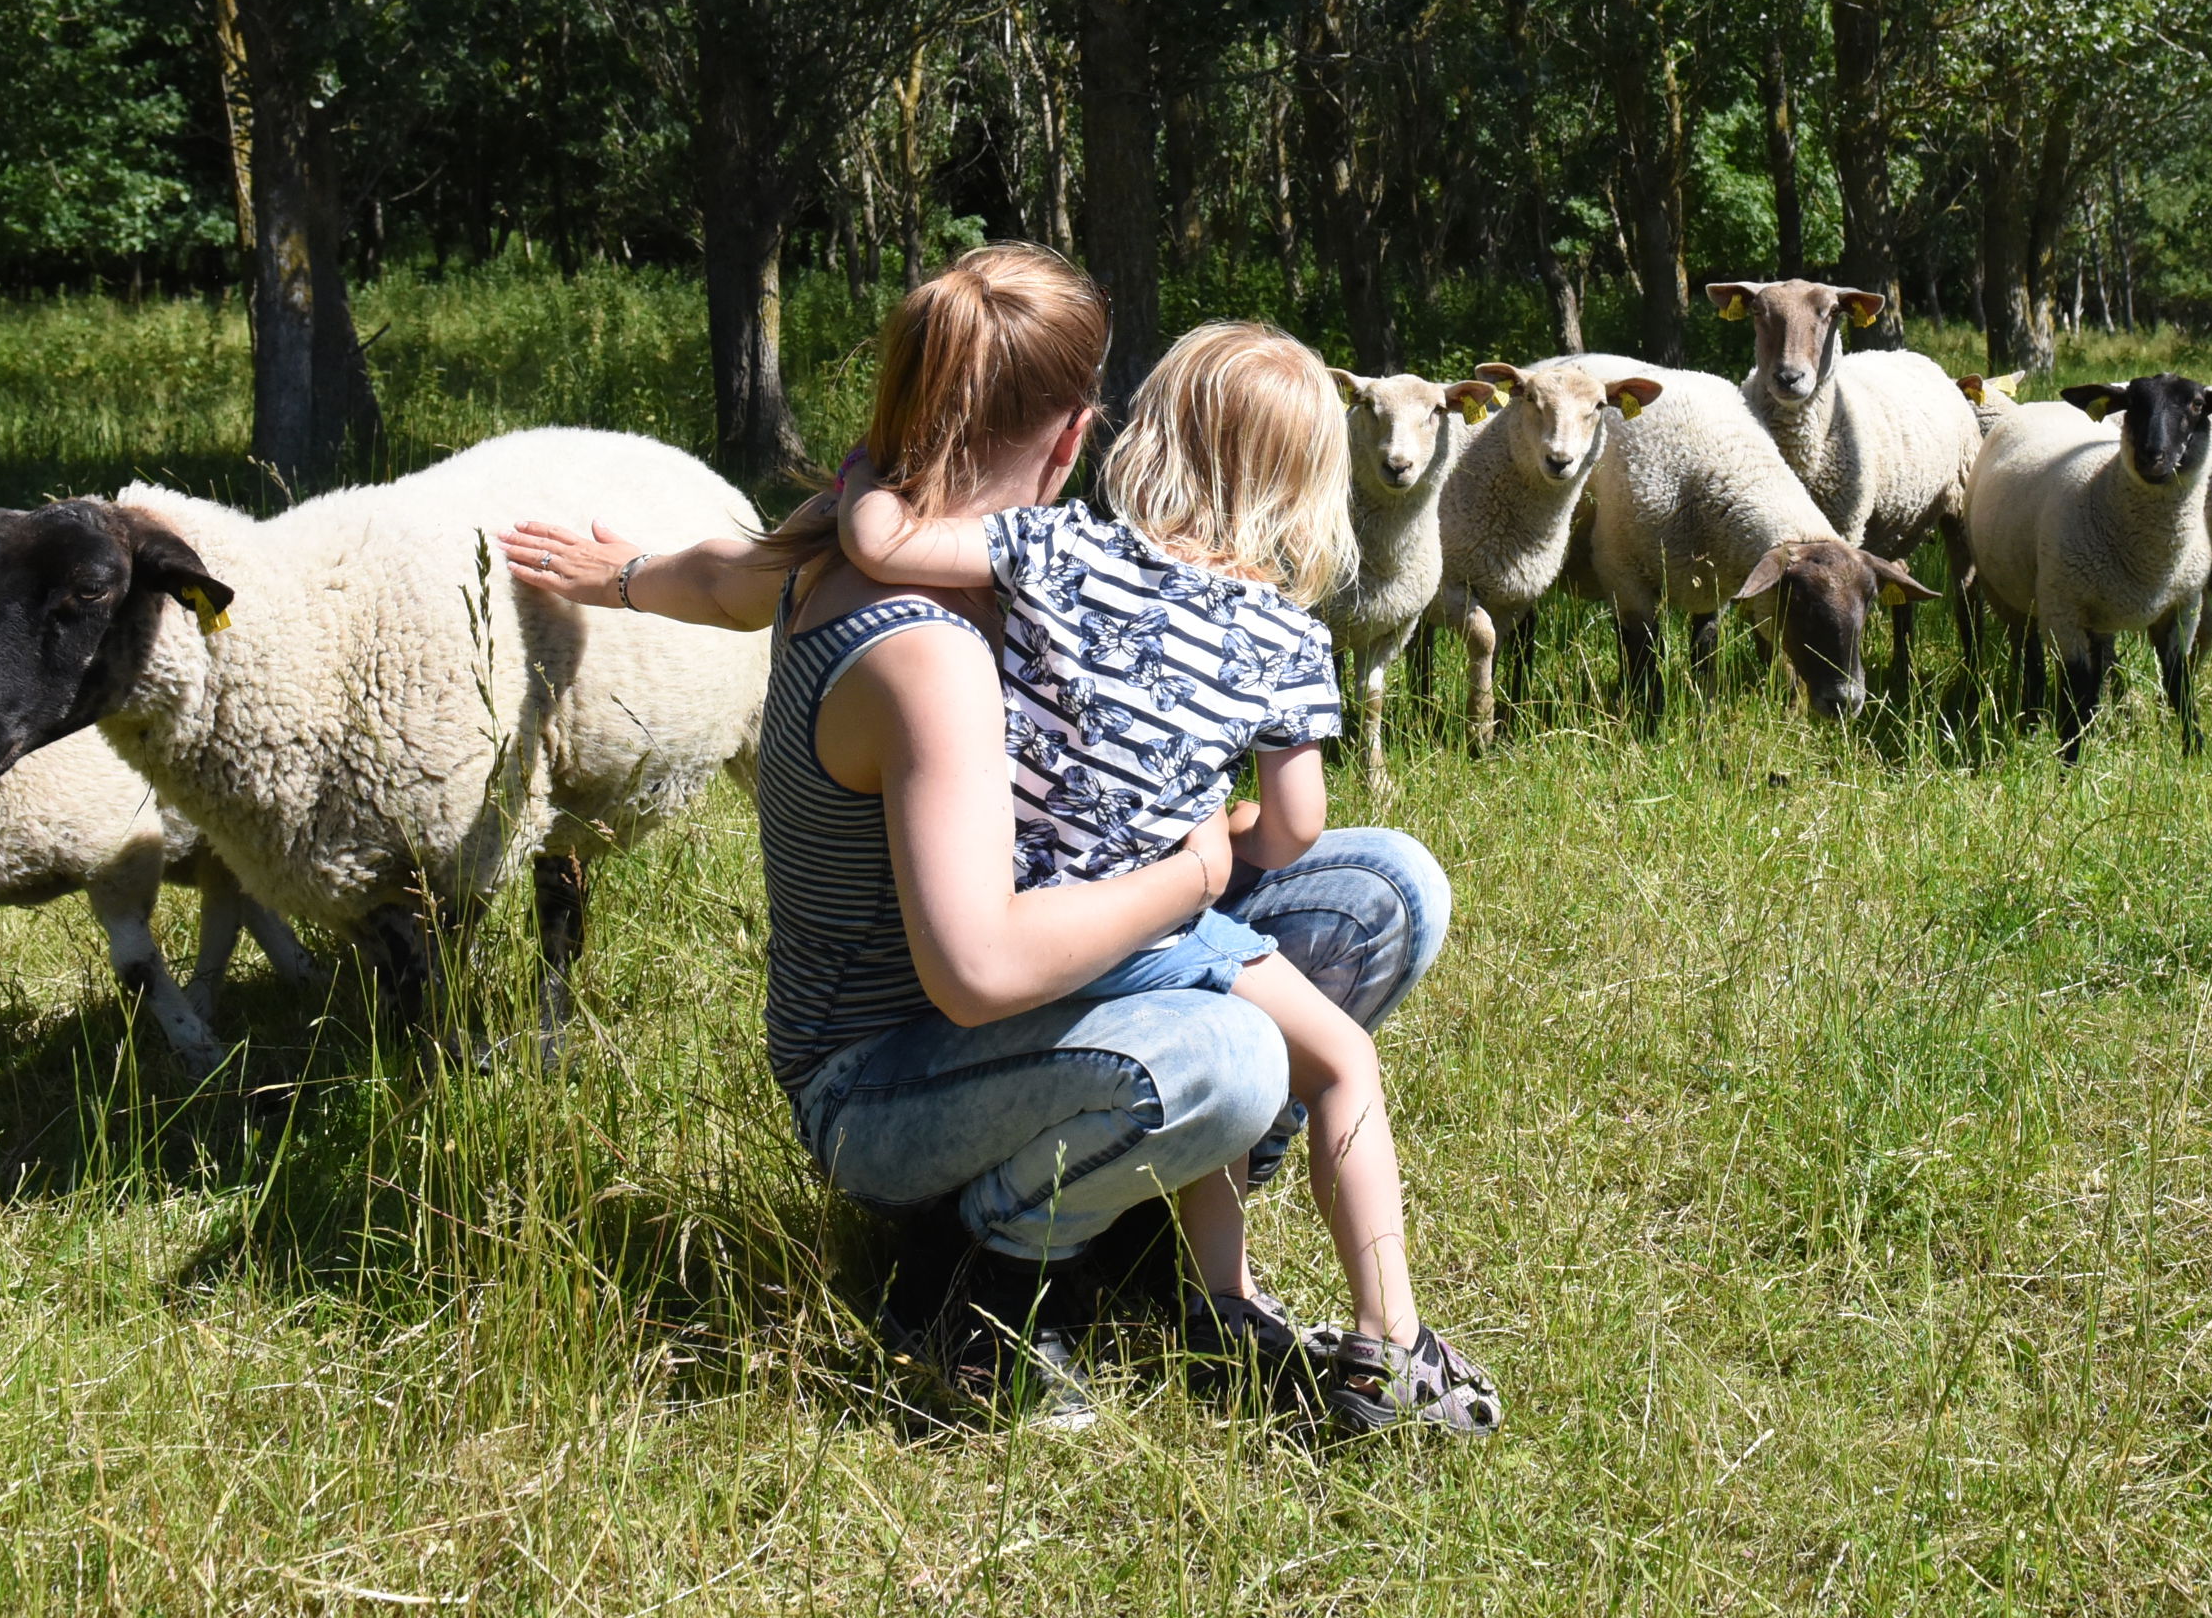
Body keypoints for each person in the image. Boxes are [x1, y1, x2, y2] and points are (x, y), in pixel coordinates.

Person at [495, 245, 1461, 1431]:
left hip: (1047, 970)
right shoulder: (929, 652)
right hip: (887, 1074)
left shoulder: (1010, 557)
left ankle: (1128, 1219)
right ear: (1075, 437)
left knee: (1383, 889)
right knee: (1238, 1053)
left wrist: (627, 574)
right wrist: (1194, 871)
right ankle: (973, 1279)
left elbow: (732, 579)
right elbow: (978, 971)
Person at [840, 320, 1498, 1436]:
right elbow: (1295, 828)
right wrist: (1223, 828)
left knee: (1235, 1029)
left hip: (1018, 916)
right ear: (1310, 484)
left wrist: (866, 470)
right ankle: (1389, 1342)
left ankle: (1218, 1300)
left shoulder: (1056, 545)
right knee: (1338, 1059)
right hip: (1150, 920)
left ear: (1150, 435)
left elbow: (883, 540)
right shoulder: (1286, 634)